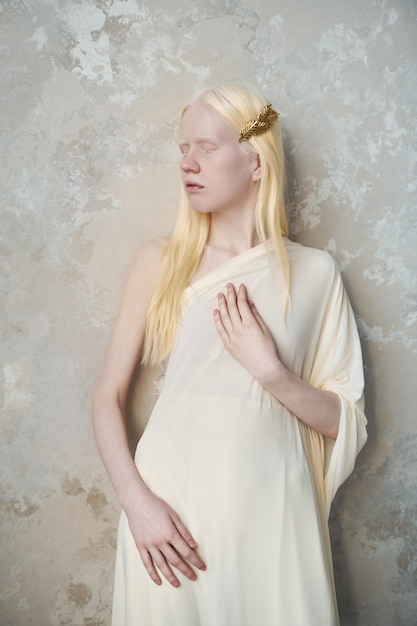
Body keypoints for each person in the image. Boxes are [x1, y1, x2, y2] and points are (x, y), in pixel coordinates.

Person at [92, 83, 367, 626]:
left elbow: (345, 420)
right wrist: (136, 503)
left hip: (272, 510)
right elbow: (107, 395)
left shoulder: (314, 273)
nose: (187, 163)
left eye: (206, 147)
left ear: (255, 160)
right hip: (168, 514)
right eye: (182, 149)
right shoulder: (160, 260)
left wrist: (271, 372)